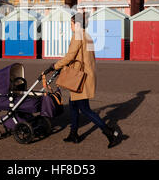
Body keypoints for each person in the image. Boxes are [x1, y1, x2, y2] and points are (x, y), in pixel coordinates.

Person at [47, 12, 119, 148]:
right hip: (87, 75)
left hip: (80, 79)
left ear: (78, 24)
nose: (70, 26)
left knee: (85, 109)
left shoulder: (78, 36)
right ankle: (73, 134)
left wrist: (54, 66)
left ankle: (109, 133)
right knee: (73, 106)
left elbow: (70, 56)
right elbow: (88, 58)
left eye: (71, 23)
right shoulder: (88, 36)